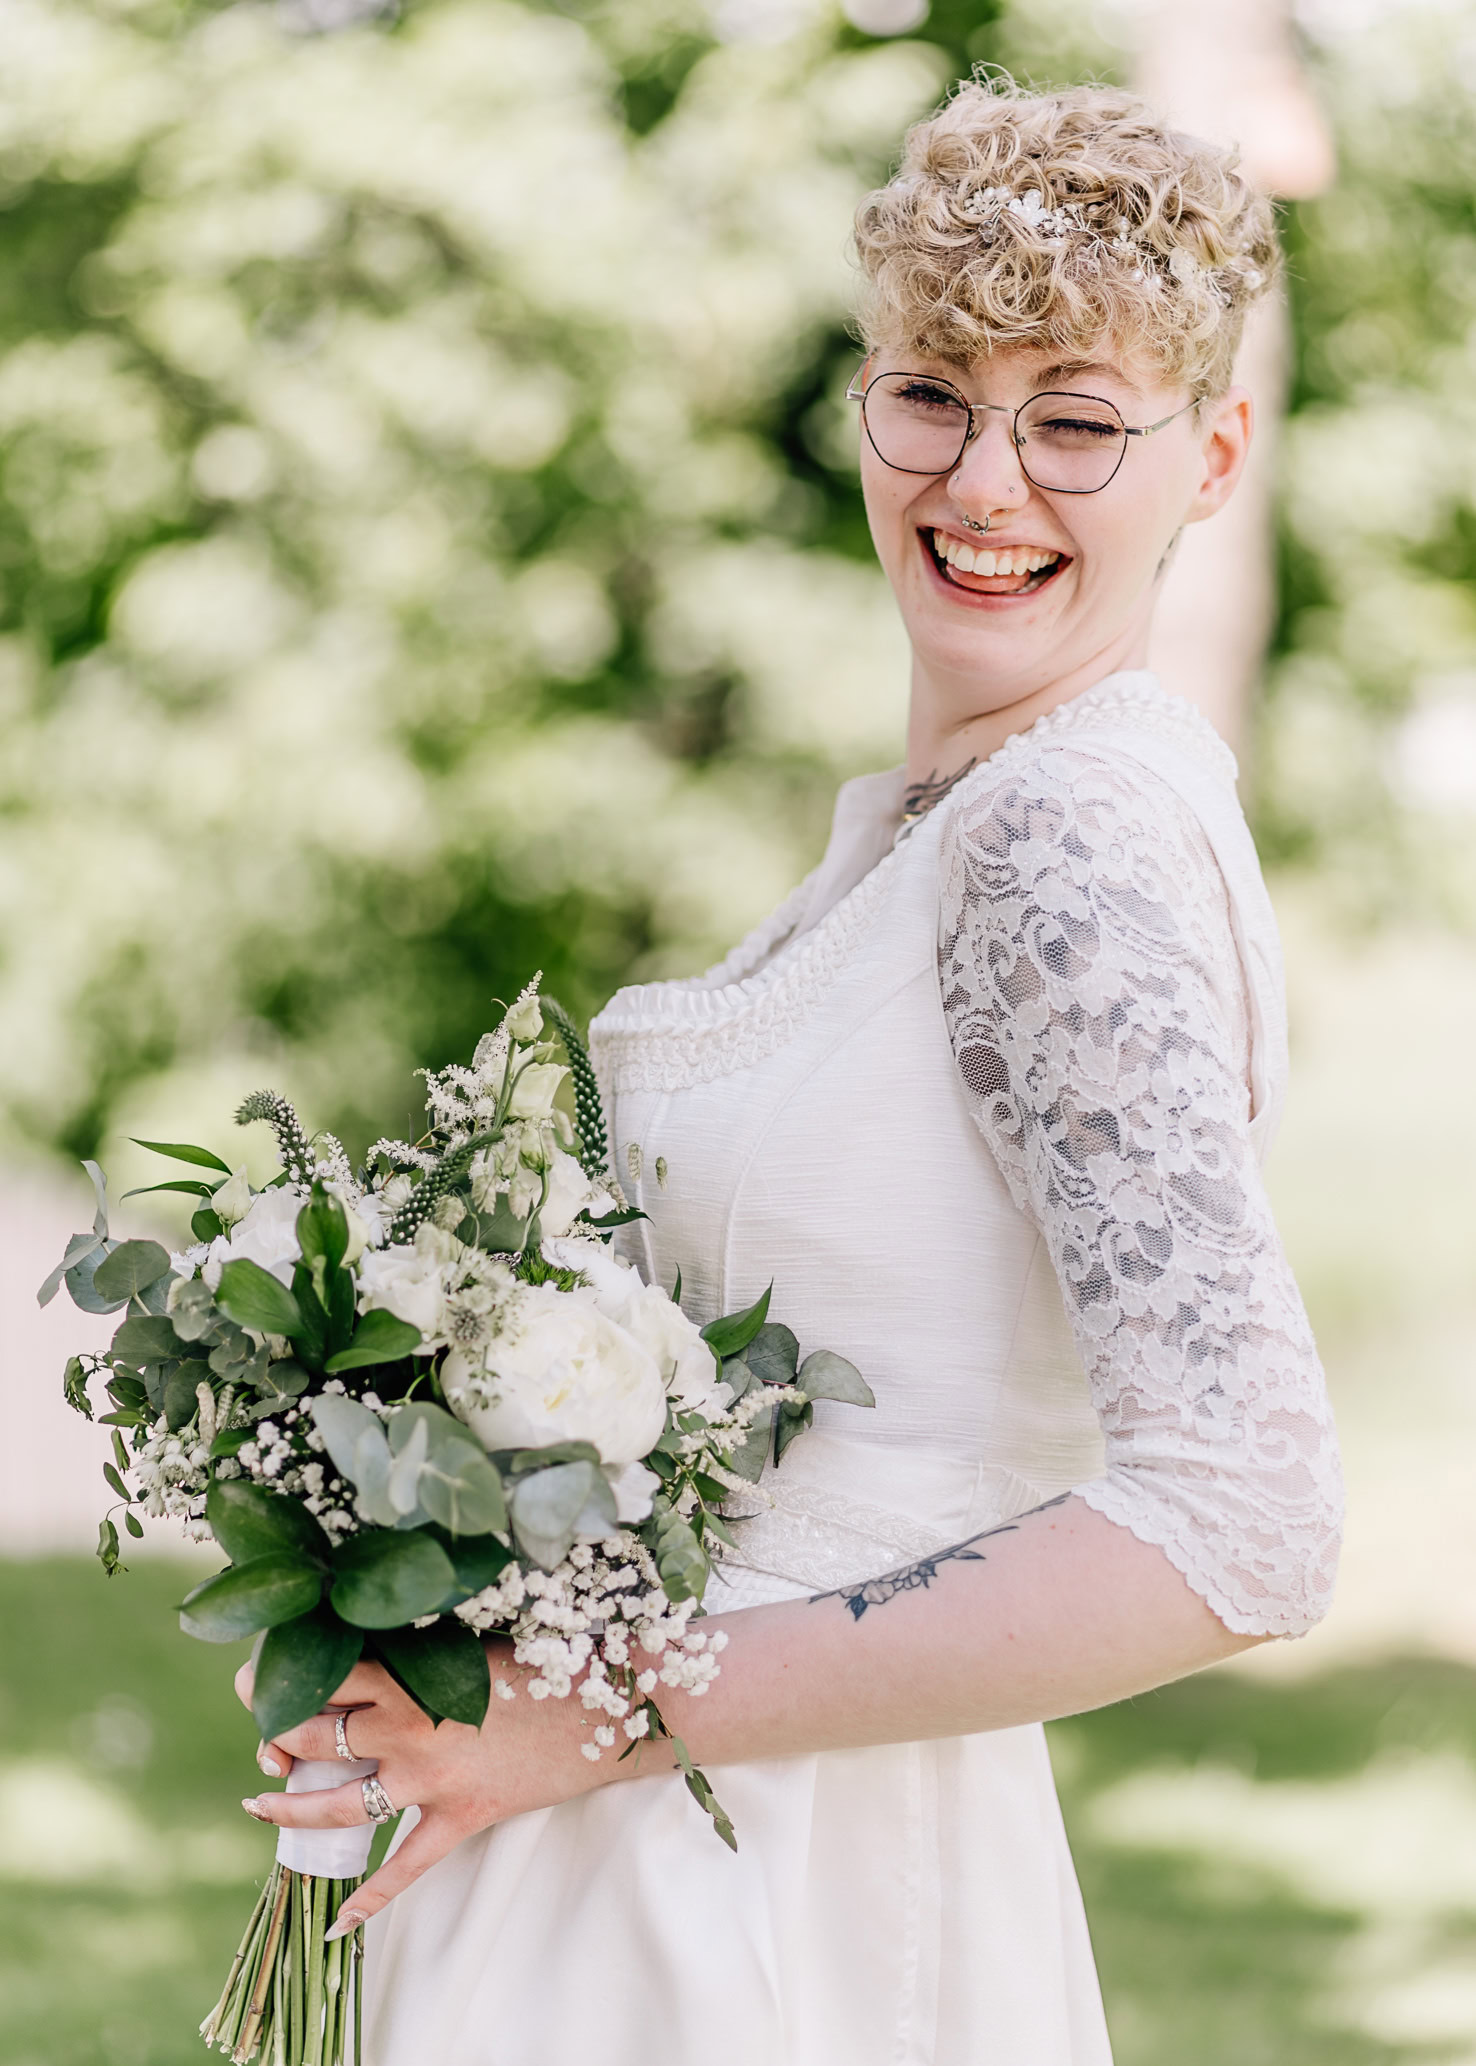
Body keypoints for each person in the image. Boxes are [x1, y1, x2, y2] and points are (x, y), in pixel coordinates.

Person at [237, 78, 1343, 2065]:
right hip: (662, 1849)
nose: (985, 484)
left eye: (1075, 419)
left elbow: (1242, 1516)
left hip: (790, 1896)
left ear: (1215, 453)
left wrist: (609, 1704)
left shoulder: (1062, 843)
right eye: (932, 393)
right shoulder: (938, 825)